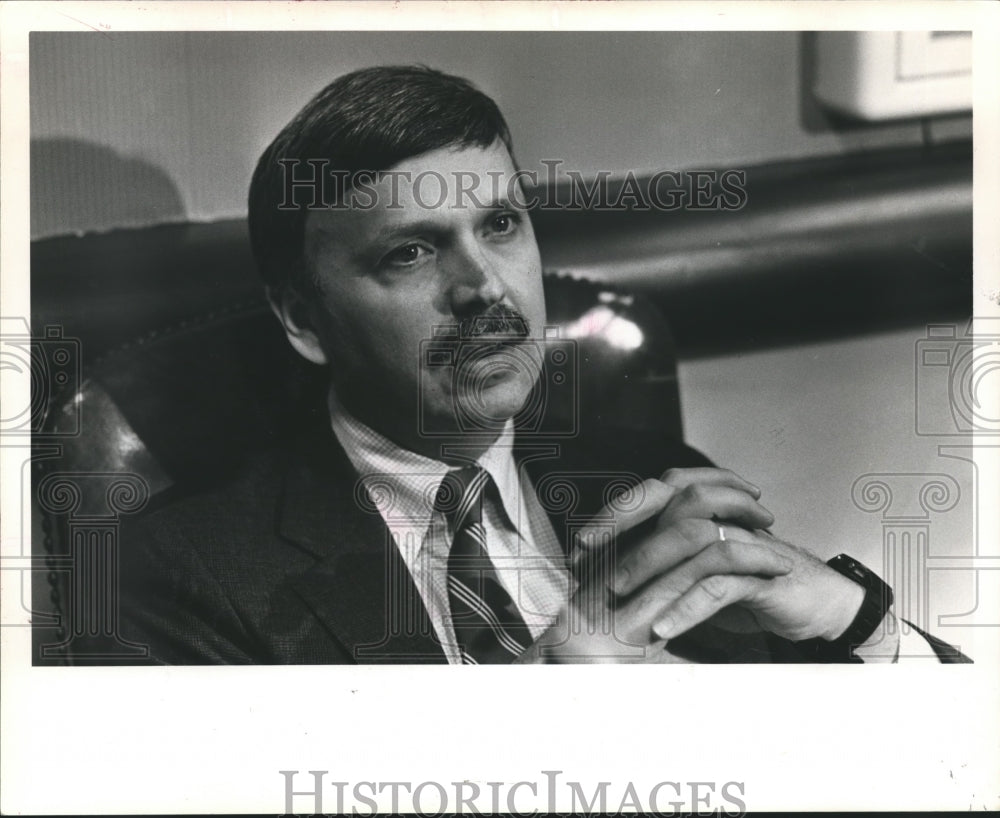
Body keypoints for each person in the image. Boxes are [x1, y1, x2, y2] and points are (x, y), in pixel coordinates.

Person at [117, 65, 966, 664]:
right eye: (411, 253)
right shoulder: (180, 577)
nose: (484, 288)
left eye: (500, 225)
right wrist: (550, 708)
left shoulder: (655, 487)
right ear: (305, 319)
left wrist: (852, 619)